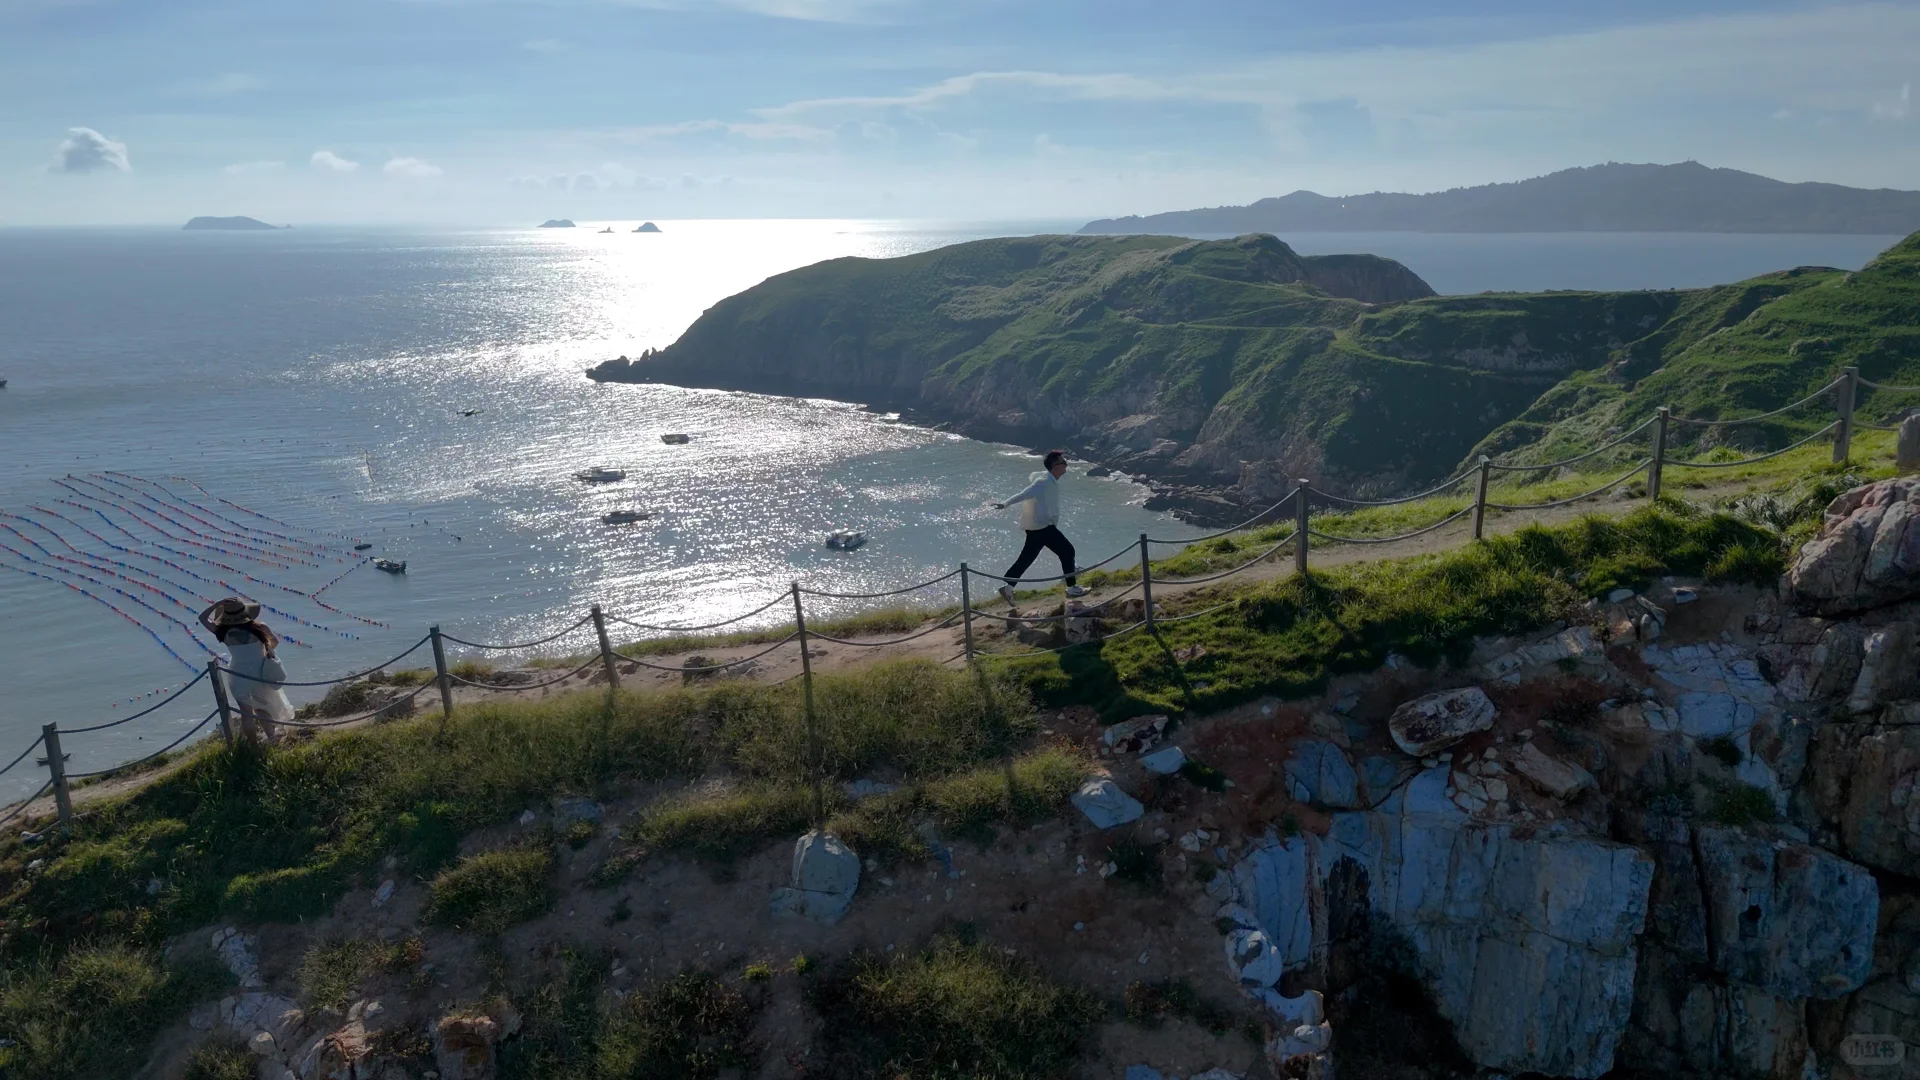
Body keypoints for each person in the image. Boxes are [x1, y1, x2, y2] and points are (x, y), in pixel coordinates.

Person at [991, 449, 1087, 605]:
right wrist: (1005, 504)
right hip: (1043, 528)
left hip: (1038, 528)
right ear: (1055, 466)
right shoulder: (1044, 482)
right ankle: (1072, 587)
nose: (1066, 464)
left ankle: (1008, 587)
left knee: (1026, 558)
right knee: (1068, 551)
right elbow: (1025, 493)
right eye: (1064, 462)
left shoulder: (1050, 480)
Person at [199, 597, 293, 741]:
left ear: (225, 614)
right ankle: (271, 738)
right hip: (259, 673)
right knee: (262, 708)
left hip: (237, 675)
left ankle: (253, 744)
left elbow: (202, 618)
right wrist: (265, 650)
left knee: (246, 713)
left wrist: (217, 604)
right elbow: (275, 642)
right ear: (245, 611)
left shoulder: (222, 631)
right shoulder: (260, 627)